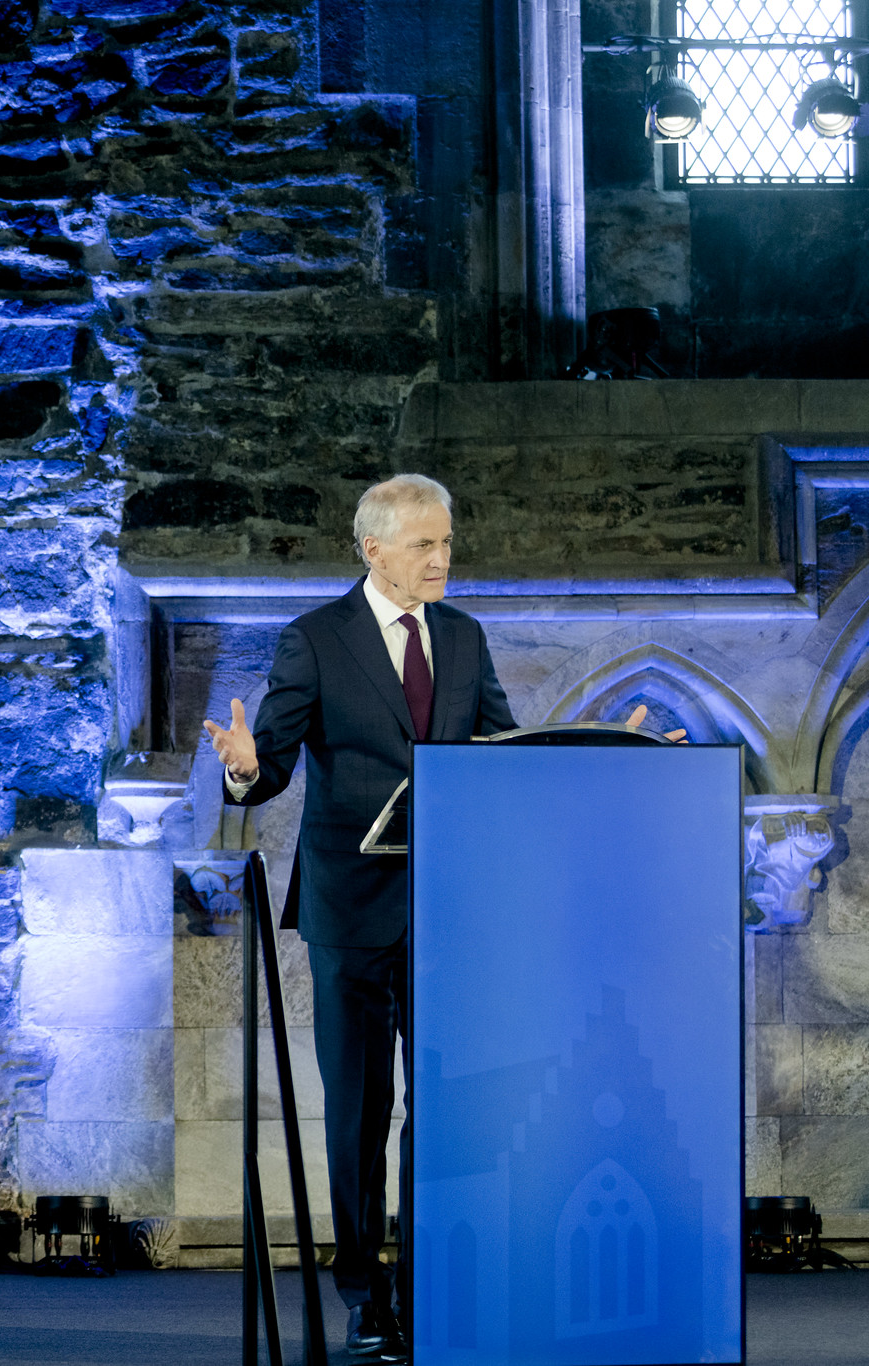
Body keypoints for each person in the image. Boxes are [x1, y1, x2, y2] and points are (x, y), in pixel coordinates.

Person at [200, 474, 671, 1360]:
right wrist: (243, 768)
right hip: (351, 913)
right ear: (374, 548)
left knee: (448, 1110)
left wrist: (610, 754)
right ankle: (363, 1292)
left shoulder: (461, 635)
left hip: (452, 911)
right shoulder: (316, 640)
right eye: (425, 544)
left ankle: (434, 1289)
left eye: (447, 541)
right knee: (359, 1112)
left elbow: (504, 756)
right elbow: (272, 766)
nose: (442, 558)